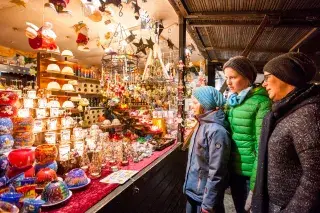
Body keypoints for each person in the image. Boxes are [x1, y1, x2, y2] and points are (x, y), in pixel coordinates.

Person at [252, 52, 320, 213]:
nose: (263, 84)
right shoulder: (284, 111)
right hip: (275, 204)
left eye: (267, 77)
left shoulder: (308, 115)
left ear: (285, 76)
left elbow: (315, 176)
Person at [223, 56, 271, 213]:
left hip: (249, 174)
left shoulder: (261, 102)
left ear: (247, 77)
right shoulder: (232, 101)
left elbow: (262, 145)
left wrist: (255, 184)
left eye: (233, 77)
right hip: (233, 170)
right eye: (226, 78)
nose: (228, 82)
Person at [183, 86, 231, 213]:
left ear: (205, 104)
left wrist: (209, 203)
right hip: (193, 192)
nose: (191, 106)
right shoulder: (200, 124)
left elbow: (217, 171)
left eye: (195, 102)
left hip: (205, 198)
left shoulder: (217, 131)